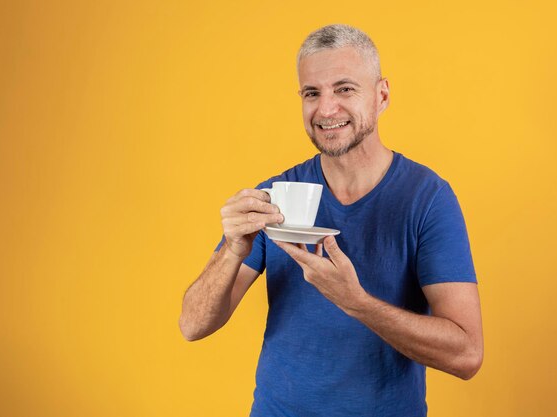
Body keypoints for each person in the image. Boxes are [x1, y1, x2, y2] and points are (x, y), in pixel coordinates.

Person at [179, 24, 483, 417]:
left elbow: (467, 354)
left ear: (381, 96)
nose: (326, 109)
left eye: (345, 89)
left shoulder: (427, 199)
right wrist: (233, 251)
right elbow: (192, 325)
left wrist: (356, 303)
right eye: (312, 93)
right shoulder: (277, 193)